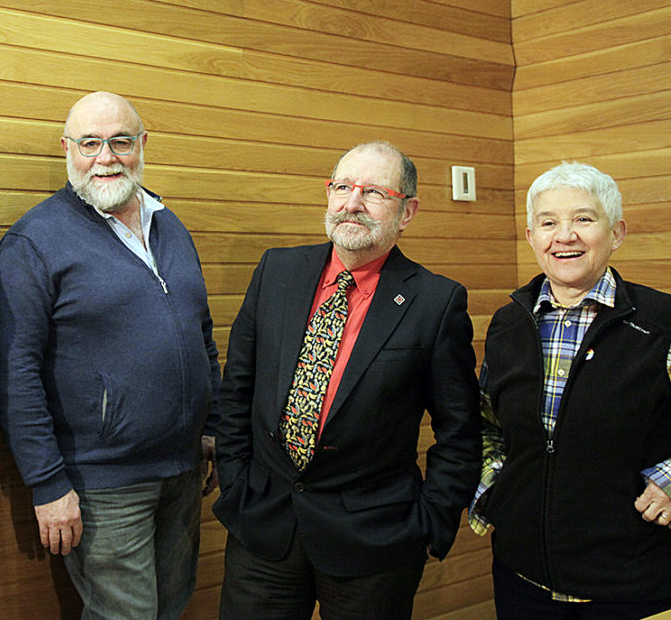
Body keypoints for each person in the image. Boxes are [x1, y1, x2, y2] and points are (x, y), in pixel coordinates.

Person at [213, 140, 481, 619]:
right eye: (342, 186)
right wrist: (237, 485)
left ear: (407, 211)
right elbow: (237, 391)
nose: (352, 202)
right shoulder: (277, 271)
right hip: (265, 527)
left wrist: (428, 524)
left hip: (374, 541)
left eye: (374, 192)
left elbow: (459, 432)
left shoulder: (435, 304)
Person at [0, 91, 221, 620]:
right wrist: (47, 484)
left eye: (119, 141)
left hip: (183, 472)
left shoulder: (169, 224)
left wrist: (213, 428)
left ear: (142, 144)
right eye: (90, 143)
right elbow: (12, 373)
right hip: (102, 484)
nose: (105, 157)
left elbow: (199, 332)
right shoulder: (35, 240)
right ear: (68, 148)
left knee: (170, 607)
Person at [470, 162, 671, 619]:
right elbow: (486, 425)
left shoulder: (661, 322)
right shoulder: (508, 323)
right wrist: (495, 494)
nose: (565, 236)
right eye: (548, 222)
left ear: (616, 233)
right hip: (523, 582)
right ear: (530, 237)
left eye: (583, 219)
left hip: (636, 587)